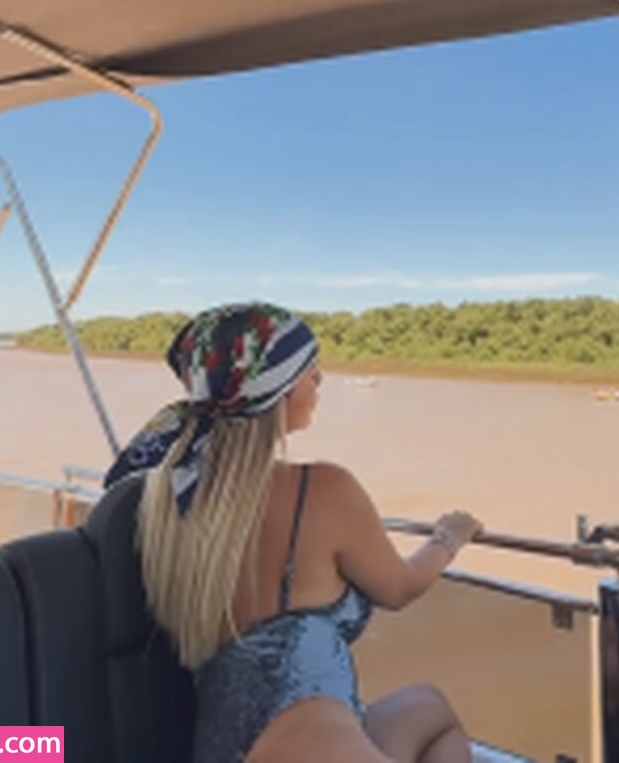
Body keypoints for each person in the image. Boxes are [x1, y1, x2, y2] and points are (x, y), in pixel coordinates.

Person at [104, 302, 483, 763]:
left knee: (430, 707)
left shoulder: (167, 499)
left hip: (224, 744)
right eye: (308, 369)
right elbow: (399, 587)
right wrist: (449, 538)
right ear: (277, 391)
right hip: (311, 742)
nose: (319, 380)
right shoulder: (323, 490)